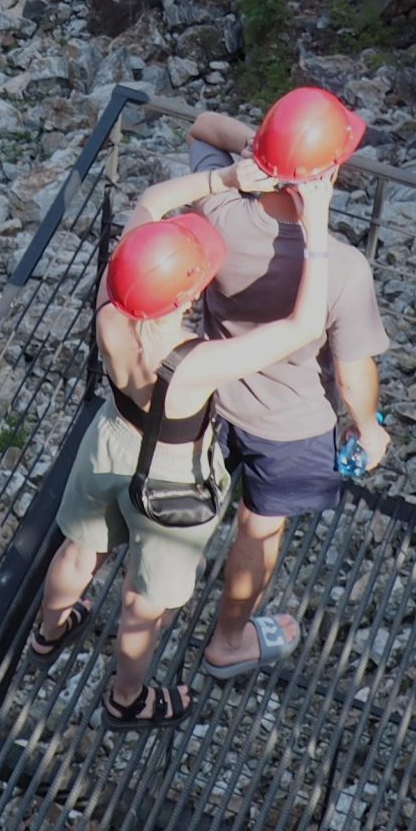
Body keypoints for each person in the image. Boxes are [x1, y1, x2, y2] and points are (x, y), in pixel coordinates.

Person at [30, 176, 338, 729]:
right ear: (184, 299)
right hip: (171, 477)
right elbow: (305, 324)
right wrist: (314, 224)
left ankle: (49, 632)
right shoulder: (196, 364)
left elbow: (148, 200)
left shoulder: (111, 298)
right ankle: (127, 700)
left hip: (108, 440)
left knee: (78, 552)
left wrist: (225, 178)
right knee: (143, 605)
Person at [135, 88, 389, 682]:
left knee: (188, 511)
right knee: (260, 525)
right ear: (329, 174)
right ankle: (227, 642)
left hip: (209, 397)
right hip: (291, 425)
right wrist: (370, 431)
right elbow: (353, 378)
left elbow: (201, 126)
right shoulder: (345, 269)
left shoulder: (214, 213)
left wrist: (257, 153)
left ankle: (146, 623)